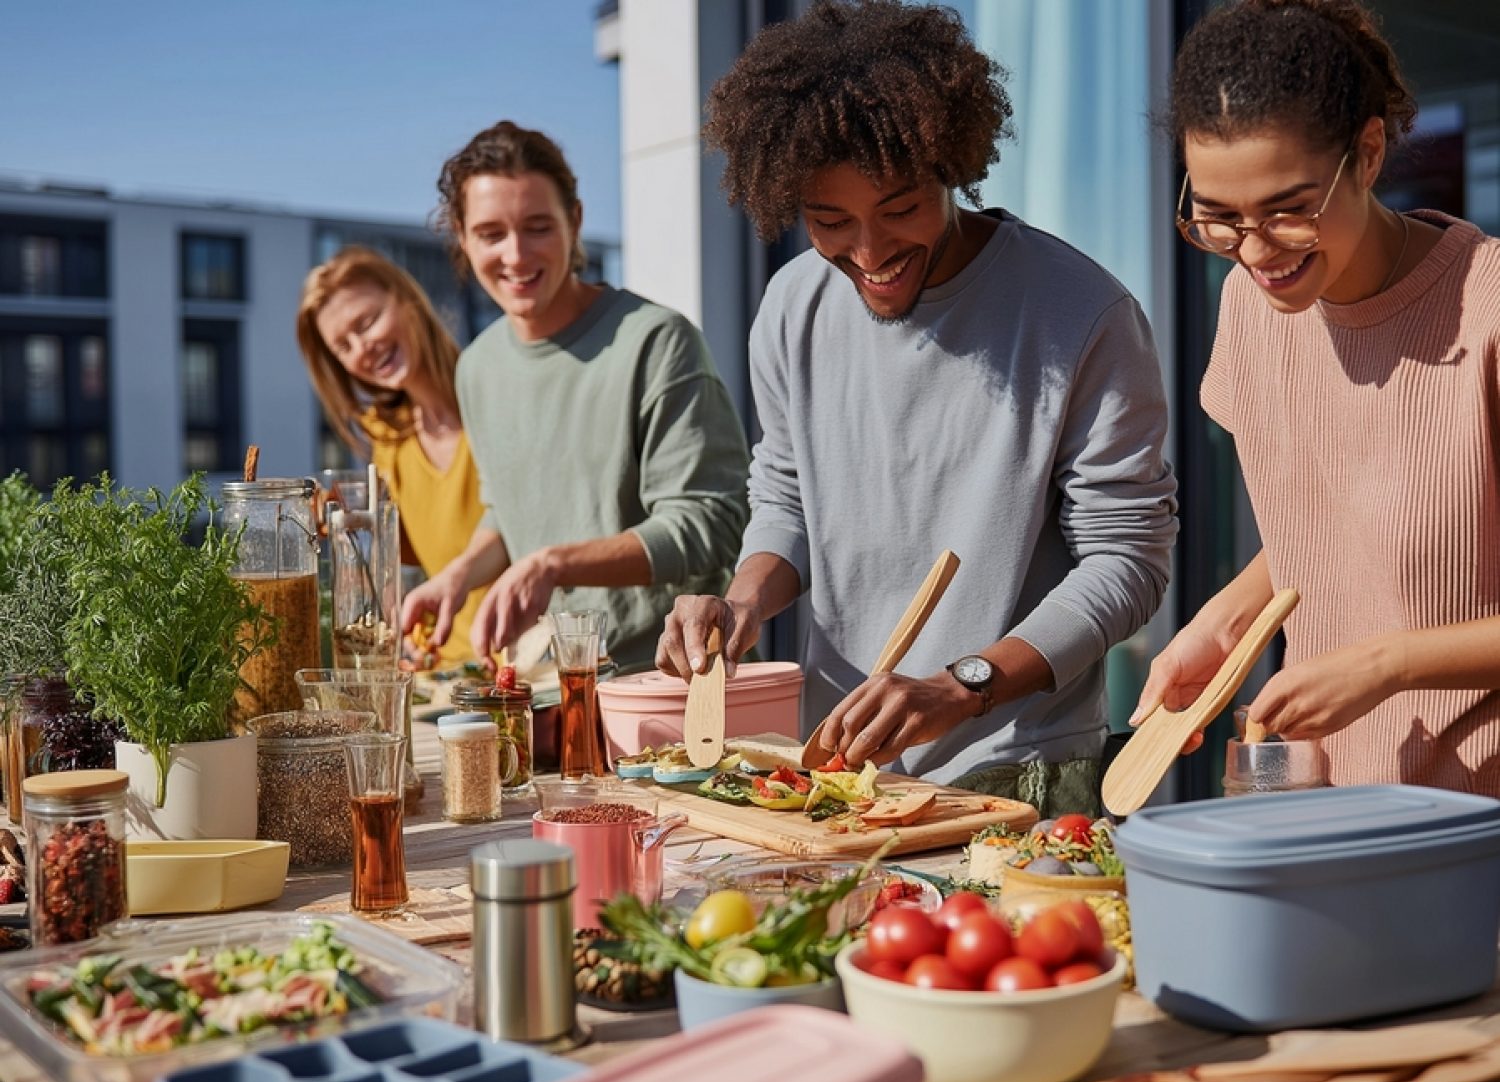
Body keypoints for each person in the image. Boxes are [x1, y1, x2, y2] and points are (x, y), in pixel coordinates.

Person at [655, 0, 1178, 814]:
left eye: (900, 209)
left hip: (1019, 774)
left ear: (952, 166)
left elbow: (1127, 563)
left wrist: (961, 685)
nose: (869, 253)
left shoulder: (1082, 313)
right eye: (831, 222)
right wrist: (742, 601)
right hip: (836, 771)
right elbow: (787, 496)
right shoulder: (792, 305)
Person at [1133, 0, 1500, 794]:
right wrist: (1226, 622)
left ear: (1368, 154)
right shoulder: (1249, 308)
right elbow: (1333, 517)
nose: (1256, 252)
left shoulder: (1489, 311)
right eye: (1218, 219)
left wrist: (1387, 662)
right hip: (1331, 808)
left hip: (1475, 821)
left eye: (1288, 211)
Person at [402, 121, 750, 673]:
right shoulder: (477, 367)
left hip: (668, 686)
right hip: (549, 690)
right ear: (462, 241)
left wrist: (555, 564)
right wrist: (459, 575)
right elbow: (511, 510)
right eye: (491, 233)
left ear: (576, 223)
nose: (516, 254)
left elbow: (710, 525)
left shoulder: (657, 342)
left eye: (537, 227)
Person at [297, 246, 489, 666]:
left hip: (528, 665)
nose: (362, 348)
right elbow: (428, 547)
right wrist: (347, 519)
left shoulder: (493, 393)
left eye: (366, 323)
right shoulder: (388, 438)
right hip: (445, 672)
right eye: (343, 346)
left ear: (408, 301)